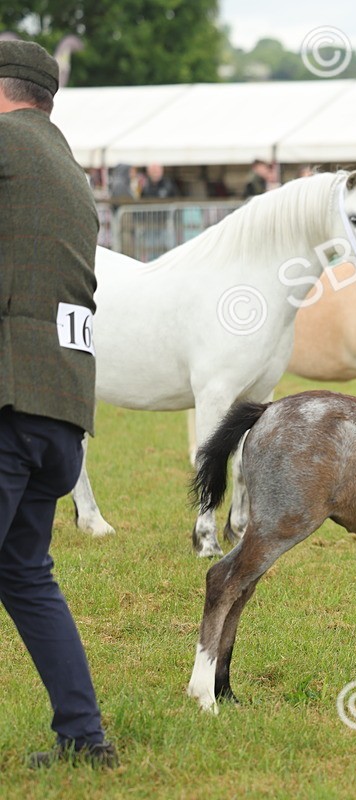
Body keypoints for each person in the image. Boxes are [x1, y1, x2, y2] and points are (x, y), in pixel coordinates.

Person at [0, 39, 119, 768]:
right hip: (61, 415)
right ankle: (84, 736)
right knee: (24, 572)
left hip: (9, 397)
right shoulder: (68, 168)